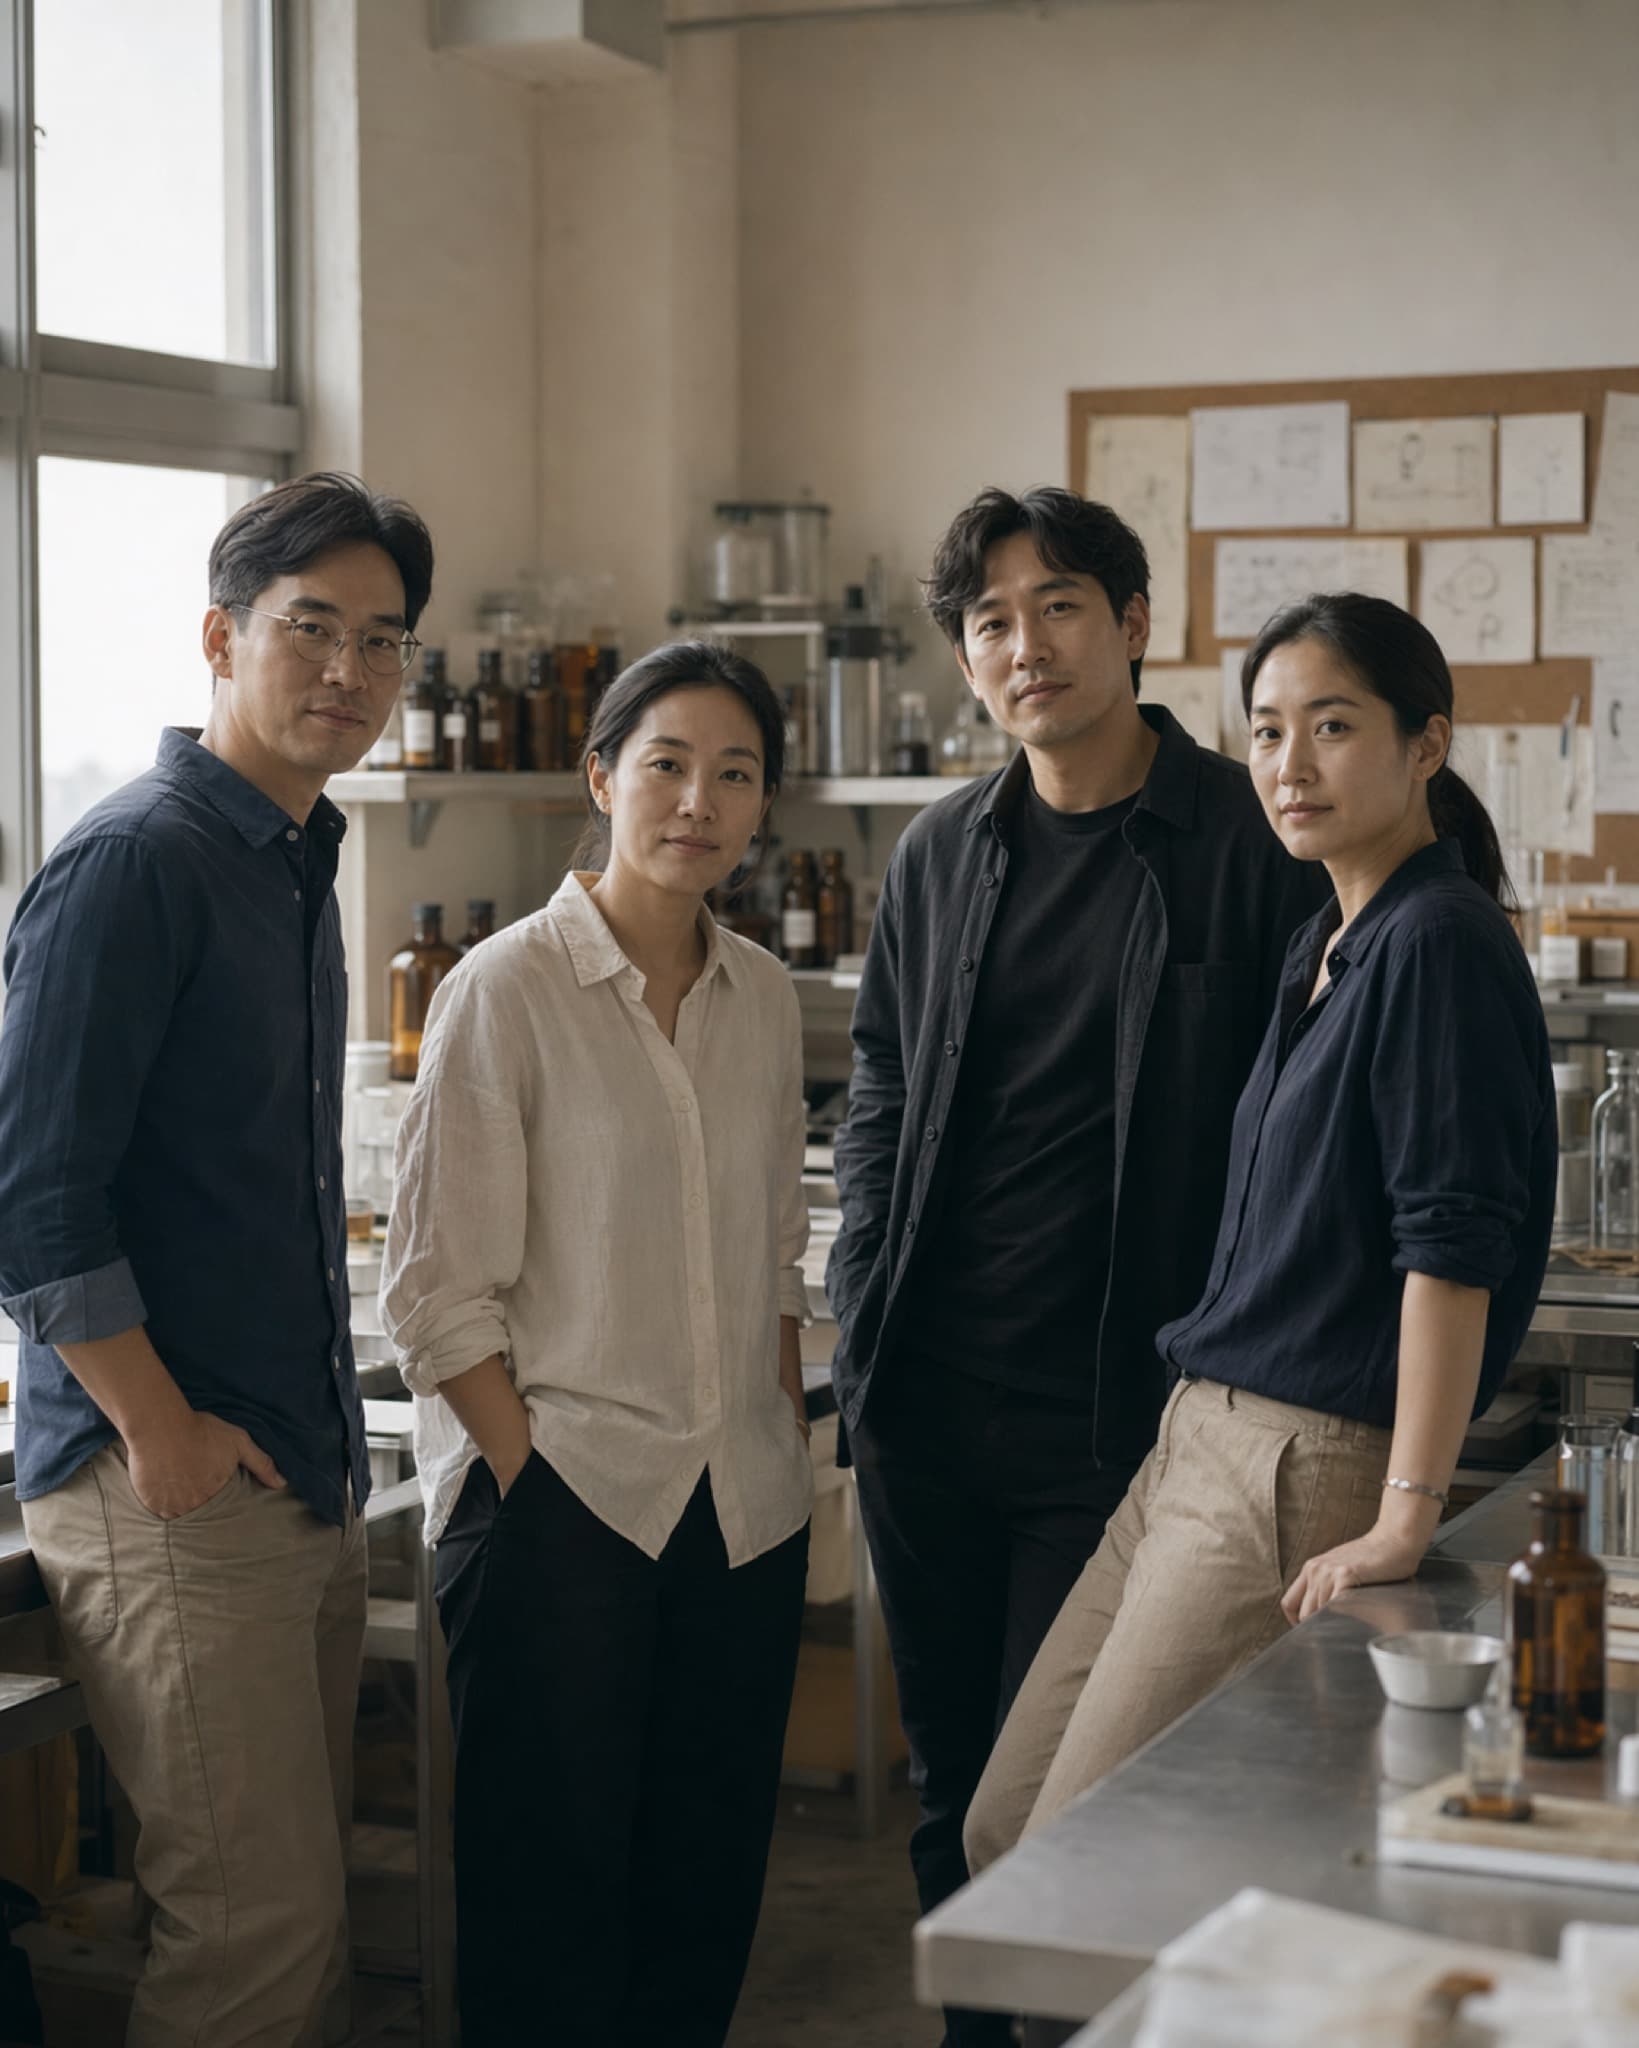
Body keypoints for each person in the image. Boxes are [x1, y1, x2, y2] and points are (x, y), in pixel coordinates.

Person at [827, 485, 1323, 2045]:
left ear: (1132, 626)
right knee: (953, 1789)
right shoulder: (942, 854)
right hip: (929, 1407)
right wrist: (861, 1309)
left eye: (1056, 608)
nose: (1023, 645)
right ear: (965, 662)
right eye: (988, 621)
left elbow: (1311, 1114)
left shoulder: (1250, 838)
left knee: (1089, 1821)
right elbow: (883, 1100)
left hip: (1131, 1419)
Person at [963, 592, 1556, 1880]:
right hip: (1199, 1435)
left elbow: (1451, 1248)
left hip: (1304, 1462)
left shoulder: (1438, 943)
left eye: (1333, 726)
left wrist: (1405, 1516)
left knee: (1085, 1858)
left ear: (1426, 746)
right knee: (1001, 1827)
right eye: (1269, 731)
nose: (1290, 765)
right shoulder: (1323, 942)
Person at [0, 471, 435, 2046]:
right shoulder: (137, 862)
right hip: (167, 1478)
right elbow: (36, 1198)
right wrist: (160, 1434)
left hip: (284, 1467)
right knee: (254, 1939)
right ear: (218, 636)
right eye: (308, 628)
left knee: (288, 1925)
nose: (347, 671)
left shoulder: (292, 861)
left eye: (382, 642)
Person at [380, 641, 814, 2048]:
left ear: (762, 806)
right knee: (546, 1923)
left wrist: (785, 1424)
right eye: (668, 765)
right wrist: (539, 1481)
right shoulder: (503, 992)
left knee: (701, 1902)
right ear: (602, 778)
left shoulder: (763, 999)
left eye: (734, 774)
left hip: (740, 1513)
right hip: (565, 1510)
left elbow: (773, 1258)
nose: (699, 800)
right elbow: (437, 1291)